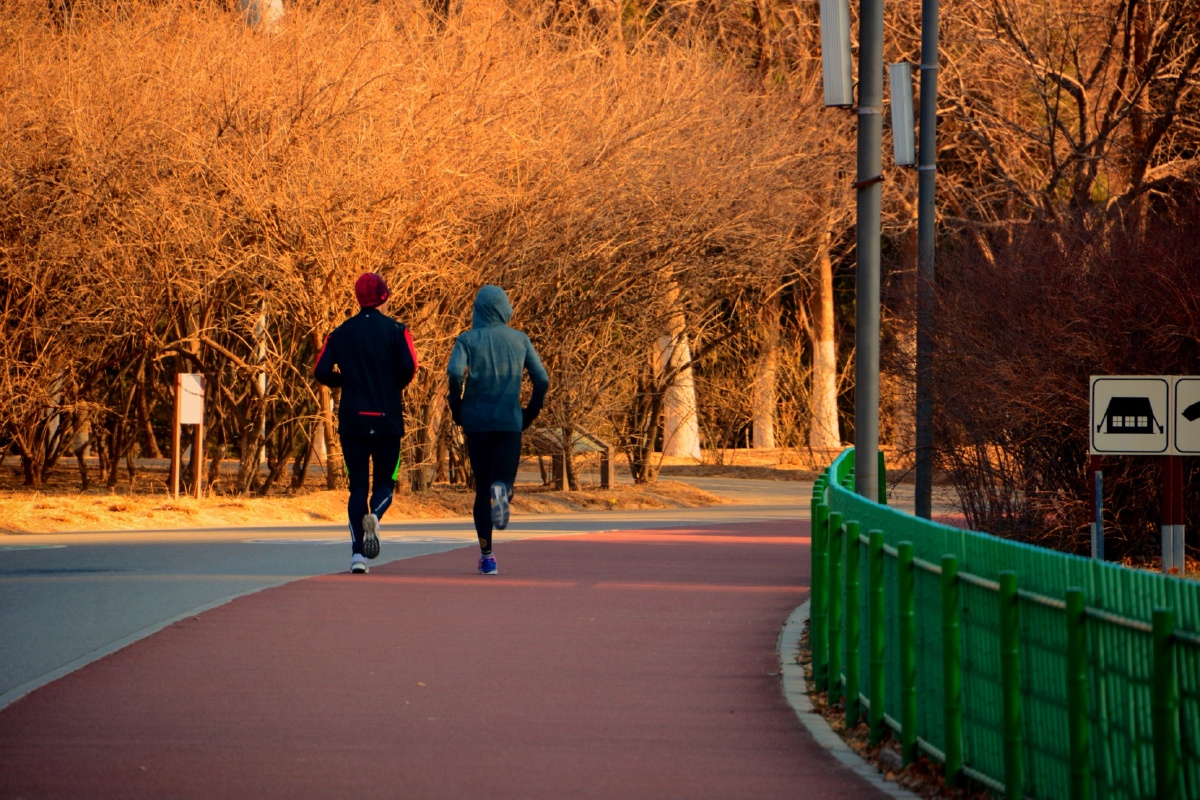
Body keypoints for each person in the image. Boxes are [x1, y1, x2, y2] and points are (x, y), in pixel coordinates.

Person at [314, 273, 418, 574]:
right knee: (386, 481)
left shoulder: (341, 333)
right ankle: (376, 516)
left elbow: (320, 370)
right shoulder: (398, 332)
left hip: (353, 421)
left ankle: (357, 555)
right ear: (384, 297)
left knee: (357, 485)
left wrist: (342, 380)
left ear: (358, 299)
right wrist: (392, 385)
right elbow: (411, 366)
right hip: (387, 419)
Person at [447, 285, 549, 575]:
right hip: (509, 422)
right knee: (501, 481)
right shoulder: (520, 340)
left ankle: (487, 556)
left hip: (476, 423)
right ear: (504, 308)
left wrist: (458, 406)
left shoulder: (467, 339)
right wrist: (529, 412)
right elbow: (542, 379)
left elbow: (455, 373)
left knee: (482, 490)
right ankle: (502, 490)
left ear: (478, 309)